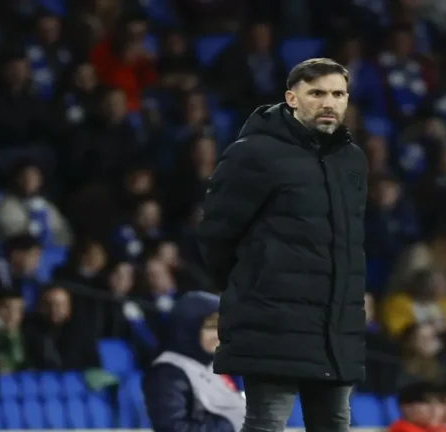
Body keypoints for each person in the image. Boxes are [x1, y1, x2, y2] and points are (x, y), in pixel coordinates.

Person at [196, 58, 368, 431]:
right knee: (267, 423)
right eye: (317, 93)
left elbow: (348, 247)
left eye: (338, 94)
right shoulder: (253, 153)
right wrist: (255, 284)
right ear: (292, 98)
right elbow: (216, 236)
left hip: (334, 327)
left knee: (336, 424)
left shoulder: (352, 161)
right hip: (271, 322)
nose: (329, 102)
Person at [143, 292, 245, 432]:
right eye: (210, 327)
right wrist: (228, 426)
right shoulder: (168, 373)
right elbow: (172, 428)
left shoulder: (210, 364)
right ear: (189, 327)